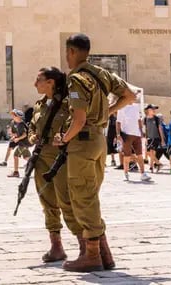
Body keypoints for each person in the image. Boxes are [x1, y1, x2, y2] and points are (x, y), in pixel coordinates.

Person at [54, 33, 135, 272]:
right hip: (100, 140)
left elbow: (78, 119)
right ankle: (104, 254)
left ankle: (91, 256)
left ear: (71, 51)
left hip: (83, 142)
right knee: (90, 195)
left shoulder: (76, 78)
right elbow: (130, 95)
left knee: (82, 197)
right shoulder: (102, 73)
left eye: (67, 53)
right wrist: (108, 112)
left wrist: (63, 138)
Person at [29, 66, 84, 263]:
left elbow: (78, 124)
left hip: (62, 159)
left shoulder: (68, 103)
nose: (35, 84)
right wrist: (32, 136)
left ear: (50, 82)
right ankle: (56, 246)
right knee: (48, 203)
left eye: (39, 80)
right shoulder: (39, 105)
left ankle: (85, 246)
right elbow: (32, 128)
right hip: (41, 159)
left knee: (67, 201)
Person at [116, 101, 151, 182]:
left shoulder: (136, 107)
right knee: (127, 156)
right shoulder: (121, 107)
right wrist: (118, 134)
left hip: (137, 134)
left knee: (140, 155)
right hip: (126, 134)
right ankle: (126, 173)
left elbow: (139, 120)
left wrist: (141, 132)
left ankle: (143, 174)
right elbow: (118, 122)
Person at [7, 109, 31, 177]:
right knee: (27, 157)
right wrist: (14, 136)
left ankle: (16, 172)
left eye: (14, 115)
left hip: (24, 143)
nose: (13, 117)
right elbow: (18, 134)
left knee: (15, 156)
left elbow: (24, 135)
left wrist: (17, 139)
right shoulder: (17, 123)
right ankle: (37, 166)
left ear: (18, 117)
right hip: (24, 144)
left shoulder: (21, 124)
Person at [143, 104, 165, 172]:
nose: (154, 110)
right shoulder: (145, 119)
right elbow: (146, 129)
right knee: (149, 153)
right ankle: (157, 164)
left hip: (156, 137)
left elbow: (160, 129)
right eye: (153, 109)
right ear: (148, 110)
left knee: (152, 152)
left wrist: (162, 140)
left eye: (155, 109)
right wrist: (146, 138)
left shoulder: (156, 118)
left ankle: (152, 166)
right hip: (149, 138)